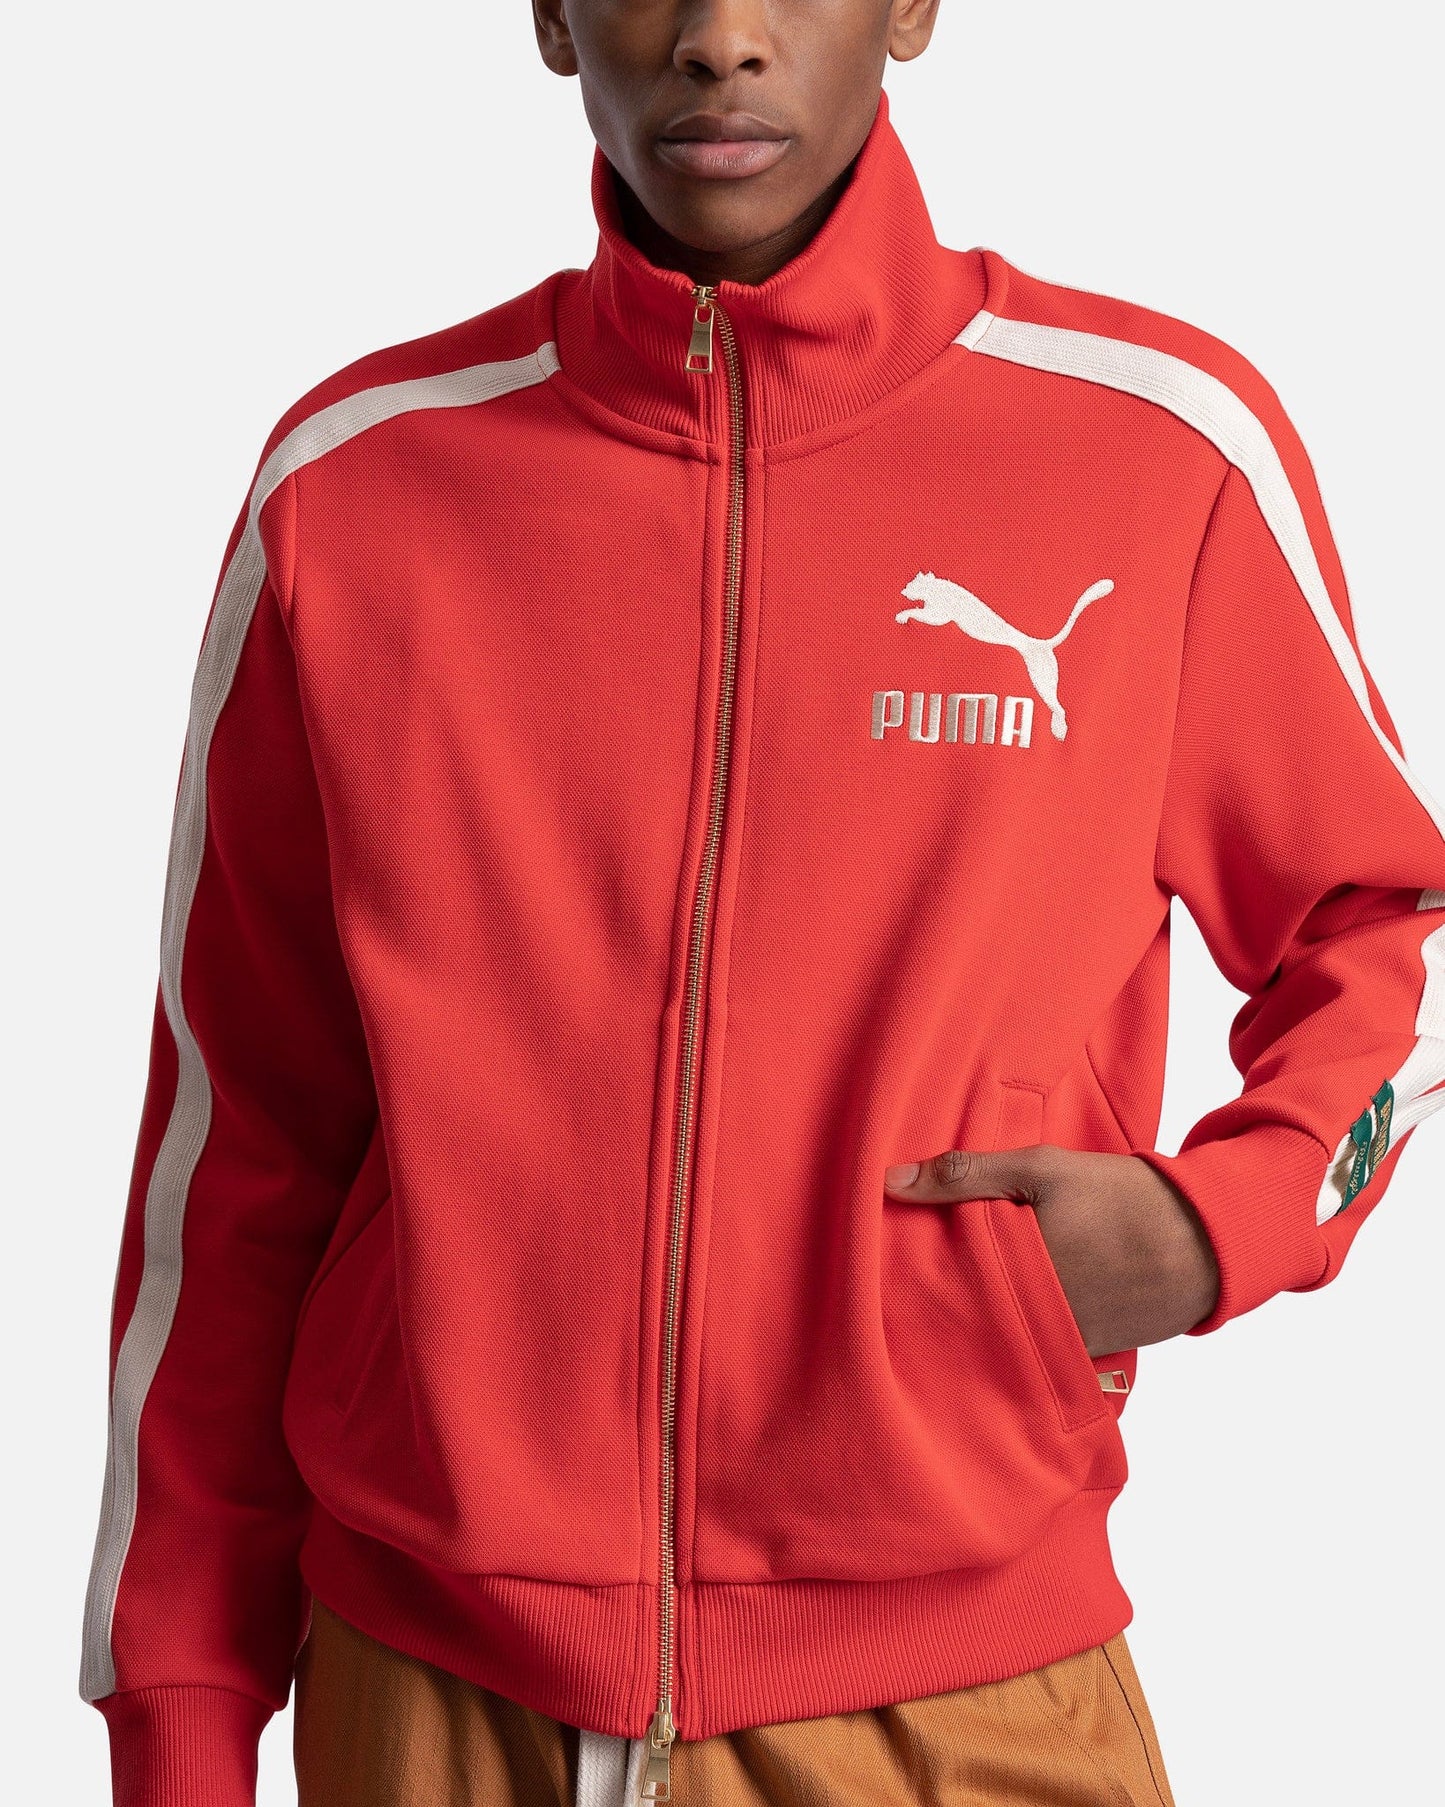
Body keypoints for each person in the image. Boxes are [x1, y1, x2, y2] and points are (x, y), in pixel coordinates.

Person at [79, 2, 1445, 1804]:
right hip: (426, 1699)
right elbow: (237, 1149)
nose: (720, 37)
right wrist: (181, 1717)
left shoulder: (1152, 450)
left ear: (912, 4)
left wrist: (1230, 1220)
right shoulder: (358, 487)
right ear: (553, 16)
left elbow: (1395, 923)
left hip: (957, 1699)